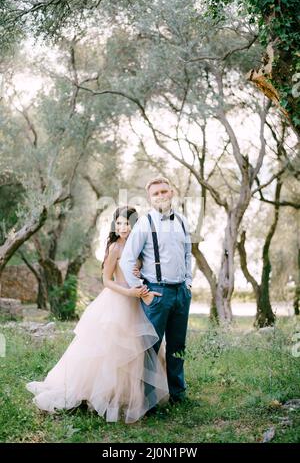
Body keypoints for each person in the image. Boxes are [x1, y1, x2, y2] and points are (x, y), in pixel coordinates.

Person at [26, 206, 169, 424]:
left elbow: (145, 271)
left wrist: (140, 276)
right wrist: (128, 291)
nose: (123, 227)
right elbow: (107, 281)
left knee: (136, 349)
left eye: (127, 223)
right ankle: (99, 394)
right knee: (111, 349)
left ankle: (130, 395)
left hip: (137, 301)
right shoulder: (114, 247)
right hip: (118, 301)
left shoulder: (140, 247)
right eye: (119, 223)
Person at [119, 177, 192, 405]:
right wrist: (143, 292)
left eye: (164, 191)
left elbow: (188, 255)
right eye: (155, 193)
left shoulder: (182, 221)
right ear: (150, 198)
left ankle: (177, 394)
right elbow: (127, 260)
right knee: (151, 347)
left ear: (171, 192)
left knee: (178, 346)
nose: (160, 196)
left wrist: (188, 283)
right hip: (158, 294)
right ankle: (148, 400)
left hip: (181, 293)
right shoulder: (144, 223)